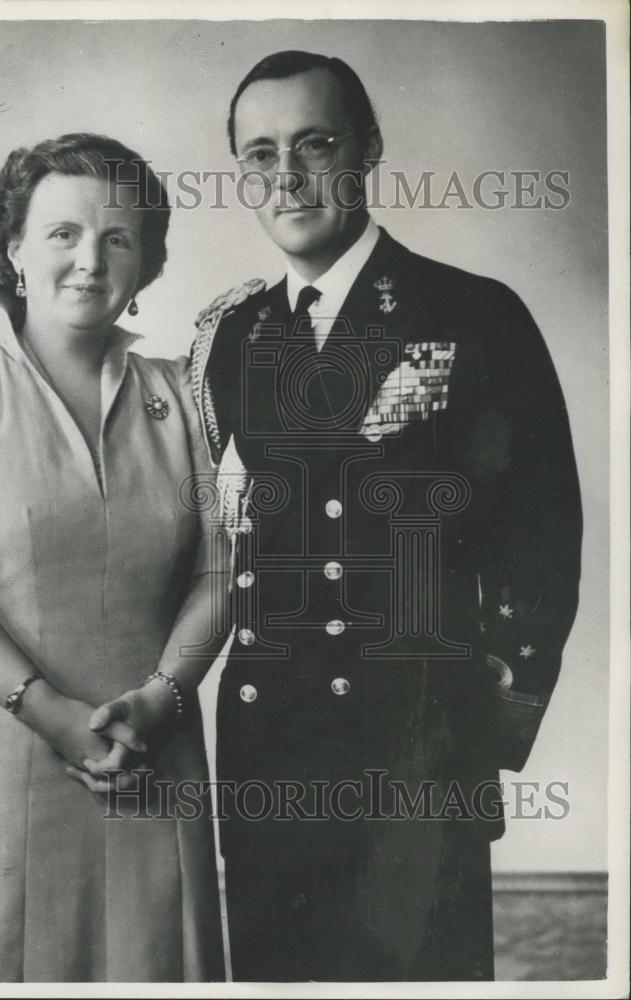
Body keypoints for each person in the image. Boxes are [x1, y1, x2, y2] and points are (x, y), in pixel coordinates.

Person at [186, 50, 582, 981]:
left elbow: (538, 537)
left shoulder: (473, 314)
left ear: (367, 150)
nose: (285, 177)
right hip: (270, 751)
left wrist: (486, 724)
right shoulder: (231, 337)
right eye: (258, 154)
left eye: (314, 145)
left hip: (411, 753)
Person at [0, 132, 225, 982]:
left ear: (147, 261)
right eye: (62, 233)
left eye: (118, 238)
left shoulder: (189, 392)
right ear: (13, 247)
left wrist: (161, 700)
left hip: (153, 754)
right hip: (0, 755)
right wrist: (50, 712)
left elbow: (222, 573)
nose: (90, 261)